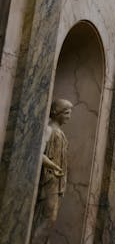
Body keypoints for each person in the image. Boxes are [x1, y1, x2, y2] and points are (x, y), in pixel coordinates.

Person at [31, 98, 72, 243]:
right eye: (66, 113)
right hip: (49, 180)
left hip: (57, 182)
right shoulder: (49, 129)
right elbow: (39, 153)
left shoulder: (60, 133)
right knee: (48, 218)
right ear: (56, 112)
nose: (69, 116)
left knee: (51, 218)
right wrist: (54, 167)